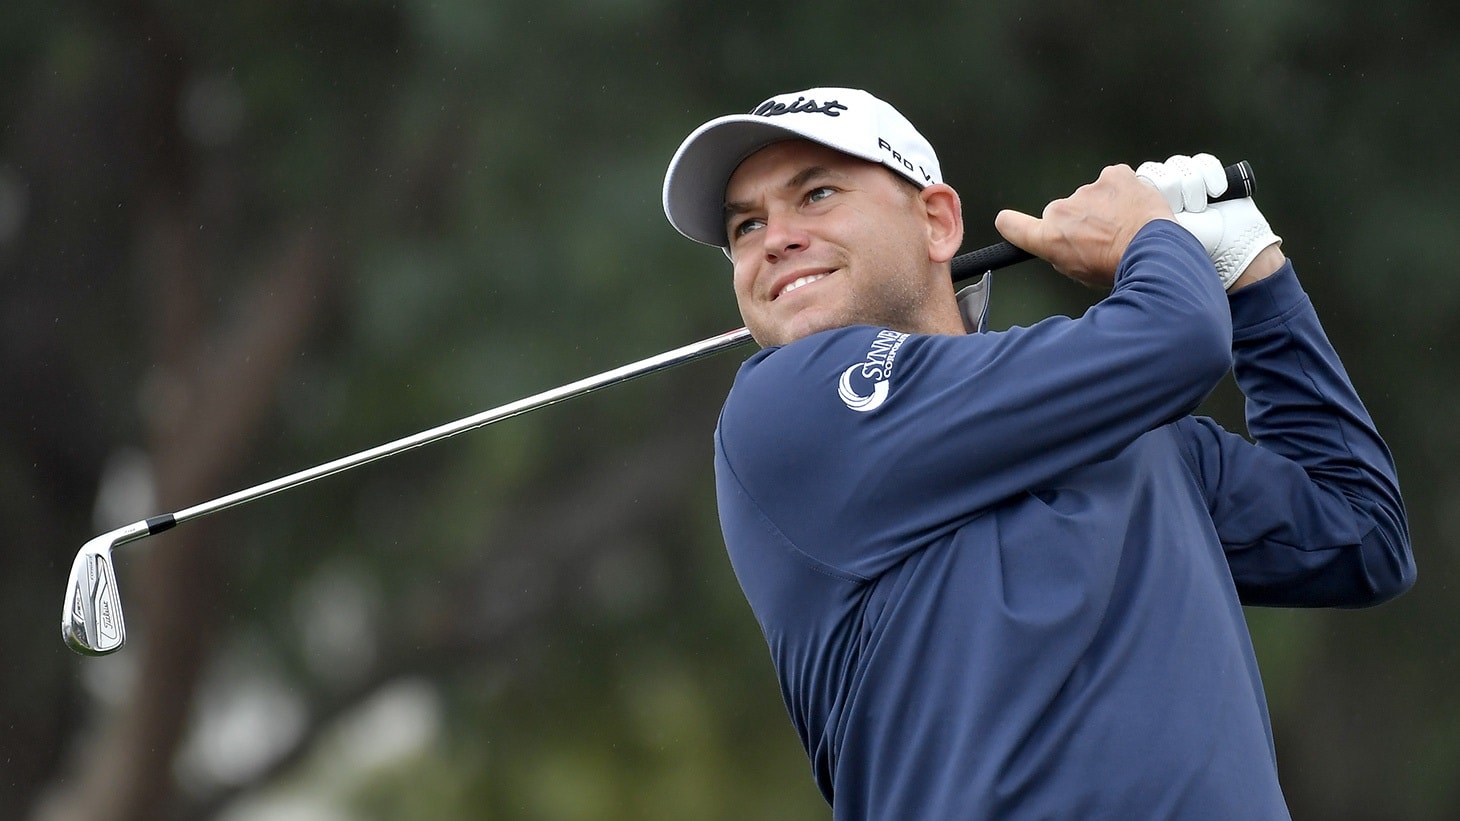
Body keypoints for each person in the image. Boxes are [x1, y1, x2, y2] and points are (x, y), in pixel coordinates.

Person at [660, 87, 1414, 819]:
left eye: (817, 194)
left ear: (937, 220)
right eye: (745, 226)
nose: (776, 237)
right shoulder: (785, 407)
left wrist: (1253, 272)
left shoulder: (1127, 431)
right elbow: (1177, 336)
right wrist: (1149, 235)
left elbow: (1360, 533)